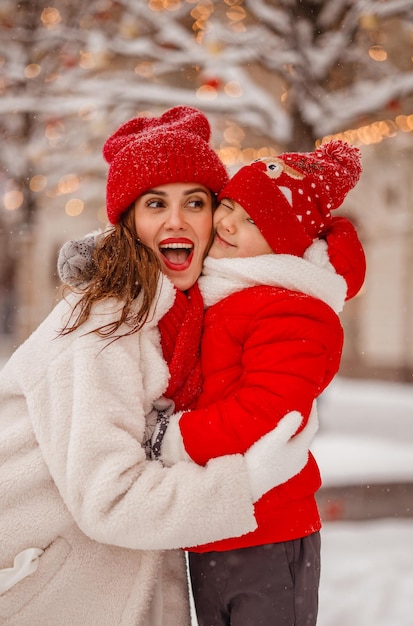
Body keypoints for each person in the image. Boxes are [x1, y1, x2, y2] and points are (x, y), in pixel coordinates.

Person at [0, 106, 315, 626]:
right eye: (154, 203)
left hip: (104, 581)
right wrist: (248, 481)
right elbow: (112, 499)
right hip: (50, 591)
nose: (177, 220)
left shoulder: (173, 315)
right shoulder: (101, 328)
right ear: (128, 223)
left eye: (196, 201)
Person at [149, 141, 367, 625]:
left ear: (283, 243)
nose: (227, 222)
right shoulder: (216, 289)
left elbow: (265, 410)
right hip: (214, 524)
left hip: (268, 527)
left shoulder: (293, 308)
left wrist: (175, 438)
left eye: (253, 221)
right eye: (227, 206)